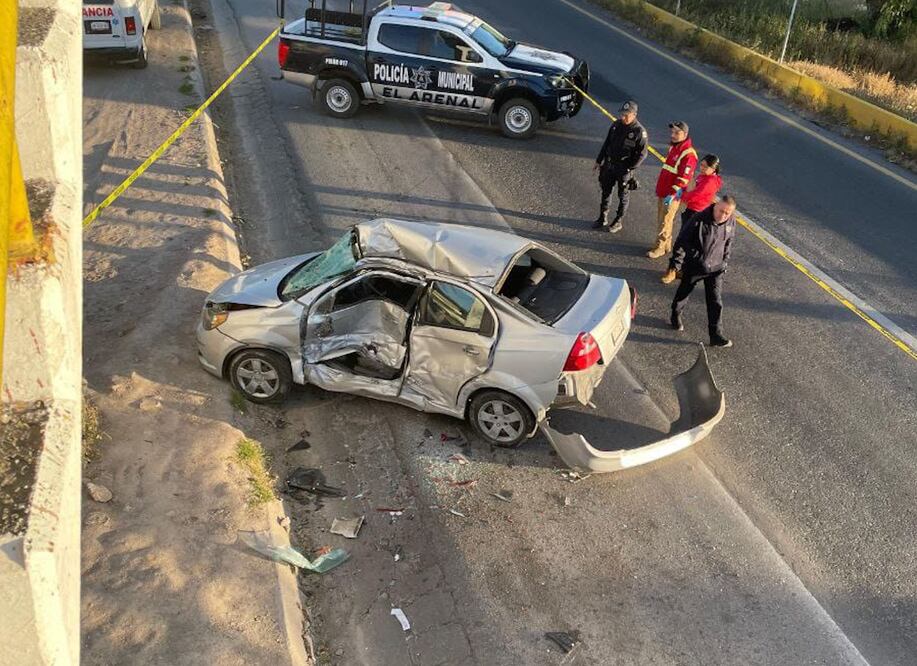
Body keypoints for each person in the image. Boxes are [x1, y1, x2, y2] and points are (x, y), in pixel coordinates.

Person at [661, 195, 737, 348]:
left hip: (716, 269)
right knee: (684, 292)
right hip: (695, 266)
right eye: (721, 211)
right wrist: (680, 262)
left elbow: (728, 242)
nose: (723, 215)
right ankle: (675, 314)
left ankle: (715, 335)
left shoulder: (731, 222)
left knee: (715, 301)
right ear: (715, 206)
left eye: (727, 213)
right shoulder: (698, 220)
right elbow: (682, 241)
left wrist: (724, 262)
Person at [591, 100, 648, 233]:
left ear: (634, 115)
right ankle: (602, 217)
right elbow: (607, 143)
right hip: (610, 165)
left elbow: (642, 154)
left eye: (626, 115)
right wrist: (599, 161)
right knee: (606, 191)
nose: (623, 117)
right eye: (622, 114)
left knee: (623, 196)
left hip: (624, 169)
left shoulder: (639, 132)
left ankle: (618, 221)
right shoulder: (616, 125)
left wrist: (629, 168)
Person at [648, 121, 697, 259]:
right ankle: (666, 244)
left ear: (685, 134)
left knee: (664, 221)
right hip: (664, 191)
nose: (673, 135)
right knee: (664, 219)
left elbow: (684, 178)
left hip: (671, 195)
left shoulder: (688, 154)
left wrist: (672, 194)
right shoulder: (675, 148)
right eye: (672, 132)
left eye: (677, 133)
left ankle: (660, 248)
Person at [677, 154, 722, 230]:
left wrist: (682, 196)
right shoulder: (703, 176)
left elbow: (696, 195)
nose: (702, 168)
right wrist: (682, 189)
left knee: (687, 233)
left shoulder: (710, 181)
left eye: (705, 167)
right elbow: (692, 186)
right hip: (691, 208)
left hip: (696, 212)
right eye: (701, 165)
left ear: (713, 169)